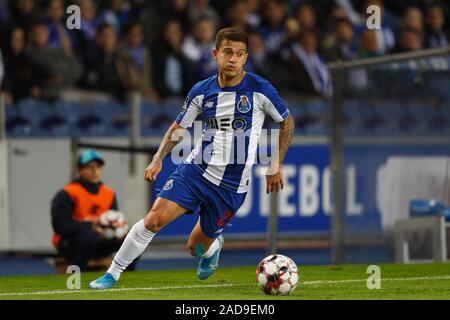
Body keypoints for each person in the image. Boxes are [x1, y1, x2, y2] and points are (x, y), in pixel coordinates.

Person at [89, 27, 295, 289]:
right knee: (154, 219)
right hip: (196, 170)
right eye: (228, 52)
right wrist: (158, 158)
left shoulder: (261, 90)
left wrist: (275, 164)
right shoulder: (201, 91)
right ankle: (113, 273)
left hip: (231, 186)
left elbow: (287, 123)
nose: (233, 59)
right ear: (215, 54)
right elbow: (179, 128)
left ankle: (211, 247)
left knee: (195, 248)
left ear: (246, 58)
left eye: (240, 54)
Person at [51, 149, 136, 272]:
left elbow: (113, 219)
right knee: (89, 237)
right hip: (69, 243)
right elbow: (60, 226)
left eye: (98, 167)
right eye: (89, 167)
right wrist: (91, 225)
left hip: (100, 241)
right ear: (79, 170)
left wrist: (119, 230)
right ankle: (77, 277)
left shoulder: (109, 193)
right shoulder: (67, 193)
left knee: (133, 239)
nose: (94, 171)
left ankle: (127, 279)